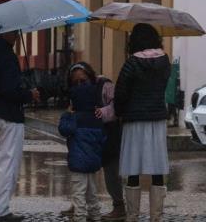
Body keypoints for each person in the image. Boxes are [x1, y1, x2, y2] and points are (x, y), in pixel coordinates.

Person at [0, 32, 40, 222]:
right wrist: (29, 94)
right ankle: (0, 210)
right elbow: (10, 90)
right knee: (8, 163)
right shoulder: (6, 55)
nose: (16, 35)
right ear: (5, 31)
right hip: (8, 116)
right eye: (14, 32)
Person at [114, 23, 171, 221]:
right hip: (156, 120)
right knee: (157, 169)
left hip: (134, 120)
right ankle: (156, 216)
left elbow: (120, 92)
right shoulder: (165, 61)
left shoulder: (132, 63)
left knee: (132, 169)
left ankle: (133, 216)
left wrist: (119, 112)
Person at [60, 64, 125, 221]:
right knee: (87, 182)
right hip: (90, 135)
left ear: (90, 76)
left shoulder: (104, 85)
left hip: (108, 132)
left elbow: (118, 105)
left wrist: (103, 113)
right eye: (75, 82)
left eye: (83, 80)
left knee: (110, 171)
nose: (80, 85)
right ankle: (81, 207)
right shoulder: (77, 92)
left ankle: (119, 206)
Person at [58, 63, 106, 222]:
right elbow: (103, 139)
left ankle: (79, 218)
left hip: (78, 164)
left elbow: (64, 129)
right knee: (92, 194)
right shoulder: (96, 117)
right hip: (93, 163)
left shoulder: (75, 117)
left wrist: (67, 115)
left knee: (78, 195)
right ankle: (96, 217)